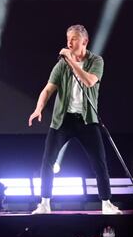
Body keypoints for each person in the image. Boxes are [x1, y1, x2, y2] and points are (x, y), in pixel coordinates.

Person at [28, 25, 121, 215]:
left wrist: (71, 61)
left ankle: (106, 203)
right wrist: (38, 108)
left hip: (87, 120)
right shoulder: (62, 64)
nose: (69, 42)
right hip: (63, 120)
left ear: (85, 41)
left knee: (99, 162)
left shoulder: (96, 61)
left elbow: (89, 81)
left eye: (74, 39)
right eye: (68, 38)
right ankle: (44, 203)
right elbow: (48, 89)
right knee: (47, 161)